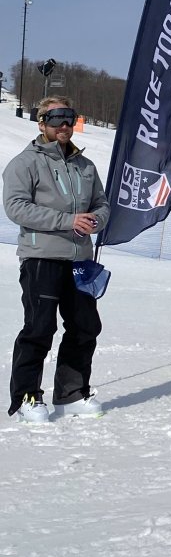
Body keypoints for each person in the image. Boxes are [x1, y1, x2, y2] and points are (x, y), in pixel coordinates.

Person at [3, 96, 110, 422]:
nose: (63, 125)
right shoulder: (26, 162)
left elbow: (102, 204)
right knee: (39, 326)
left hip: (79, 260)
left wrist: (96, 219)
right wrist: (68, 221)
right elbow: (16, 207)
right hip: (42, 257)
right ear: (41, 123)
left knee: (85, 326)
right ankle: (26, 397)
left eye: (69, 118)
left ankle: (72, 394)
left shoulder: (84, 165)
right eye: (55, 118)